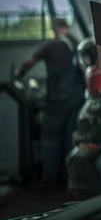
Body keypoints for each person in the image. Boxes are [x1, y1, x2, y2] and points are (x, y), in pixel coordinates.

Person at [15, 18, 85, 189]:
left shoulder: (52, 45)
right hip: (78, 98)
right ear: (67, 27)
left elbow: (28, 62)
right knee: (71, 139)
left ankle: (49, 179)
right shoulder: (78, 43)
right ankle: (71, 180)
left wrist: (18, 75)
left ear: (55, 28)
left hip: (57, 99)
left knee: (50, 138)